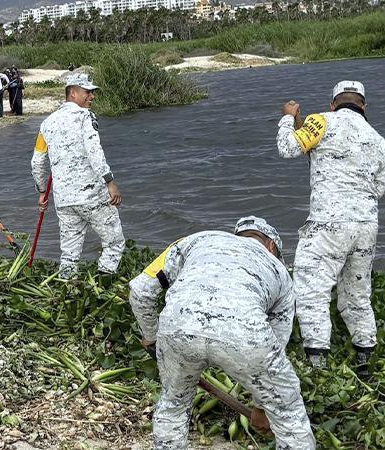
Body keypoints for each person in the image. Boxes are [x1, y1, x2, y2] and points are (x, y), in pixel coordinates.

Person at [128, 217, 316, 450]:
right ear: (271, 246)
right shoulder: (280, 271)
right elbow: (276, 344)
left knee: (173, 407)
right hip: (245, 335)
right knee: (289, 415)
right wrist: (262, 407)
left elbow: (139, 290)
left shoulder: (193, 241)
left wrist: (151, 335)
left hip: (178, 325)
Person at [276, 81, 385, 375]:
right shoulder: (378, 141)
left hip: (328, 224)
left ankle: (319, 367)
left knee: (312, 290)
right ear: (363, 106)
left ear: (332, 104)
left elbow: (288, 147)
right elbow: (377, 189)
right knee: (357, 292)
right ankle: (365, 361)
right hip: (366, 225)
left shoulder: (320, 121)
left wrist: (289, 117)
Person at [31, 73, 124, 279]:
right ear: (73, 93)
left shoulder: (47, 123)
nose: (92, 96)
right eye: (87, 92)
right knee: (114, 242)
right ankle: (103, 285)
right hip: (91, 195)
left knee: (70, 253)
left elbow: (37, 162)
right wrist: (110, 182)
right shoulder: (85, 117)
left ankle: (66, 292)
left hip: (64, 200)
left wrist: (42, 191)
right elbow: (94, 151)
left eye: (92, 92)